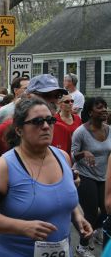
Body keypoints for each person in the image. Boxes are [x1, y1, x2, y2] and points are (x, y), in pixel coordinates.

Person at [0, 97, 92, 257]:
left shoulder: (63, 157)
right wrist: (21, 227)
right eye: (37, 122)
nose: (46, 126)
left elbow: (61, 197)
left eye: (50, 120)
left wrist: (77, 216)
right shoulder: (5, 166)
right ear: (18, 130)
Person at [72, 97, 111, 256]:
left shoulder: (109, 129)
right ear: (90, 112)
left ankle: (93, 231)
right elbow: (72, 156)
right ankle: (82, 246)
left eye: (105, 107)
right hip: (86, 175)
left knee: (107, 211)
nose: (104, 110)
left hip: (104, 175)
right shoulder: (81, 132)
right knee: (91, 213)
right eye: (99, 107)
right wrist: (84, 153)